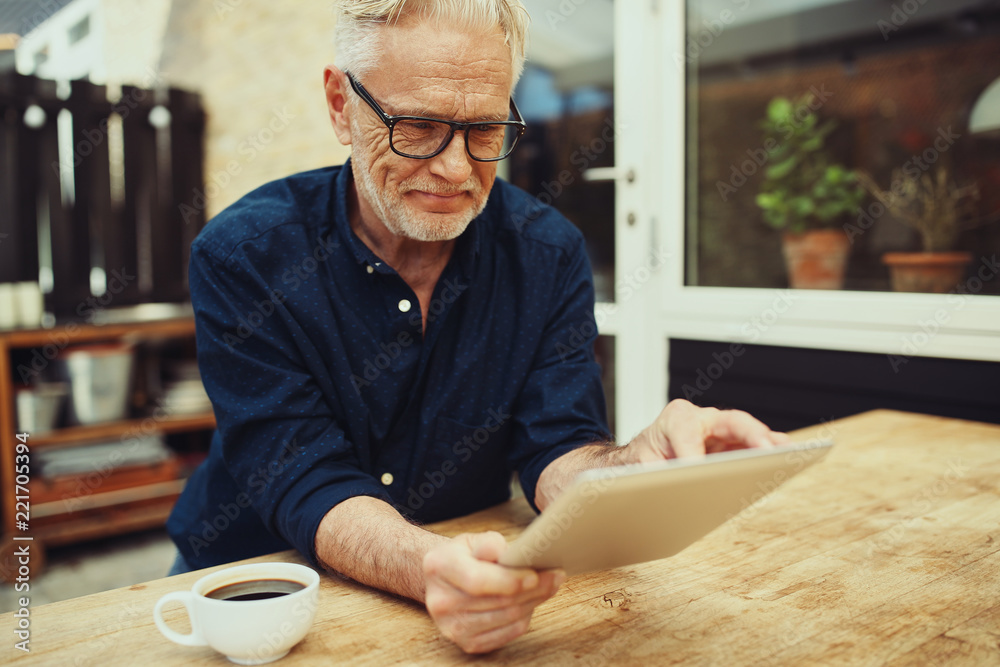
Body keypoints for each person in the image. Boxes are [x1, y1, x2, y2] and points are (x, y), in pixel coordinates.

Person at [166, 0, 789, 653]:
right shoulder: (244, 256)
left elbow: (557, 444)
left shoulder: (548, 253)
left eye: (486, 130)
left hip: (456, 584)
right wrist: (428, 565)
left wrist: (634, 465)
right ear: (339, 104)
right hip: (248, 584)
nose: (457, 169)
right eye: (418, 125)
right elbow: (303, 474)